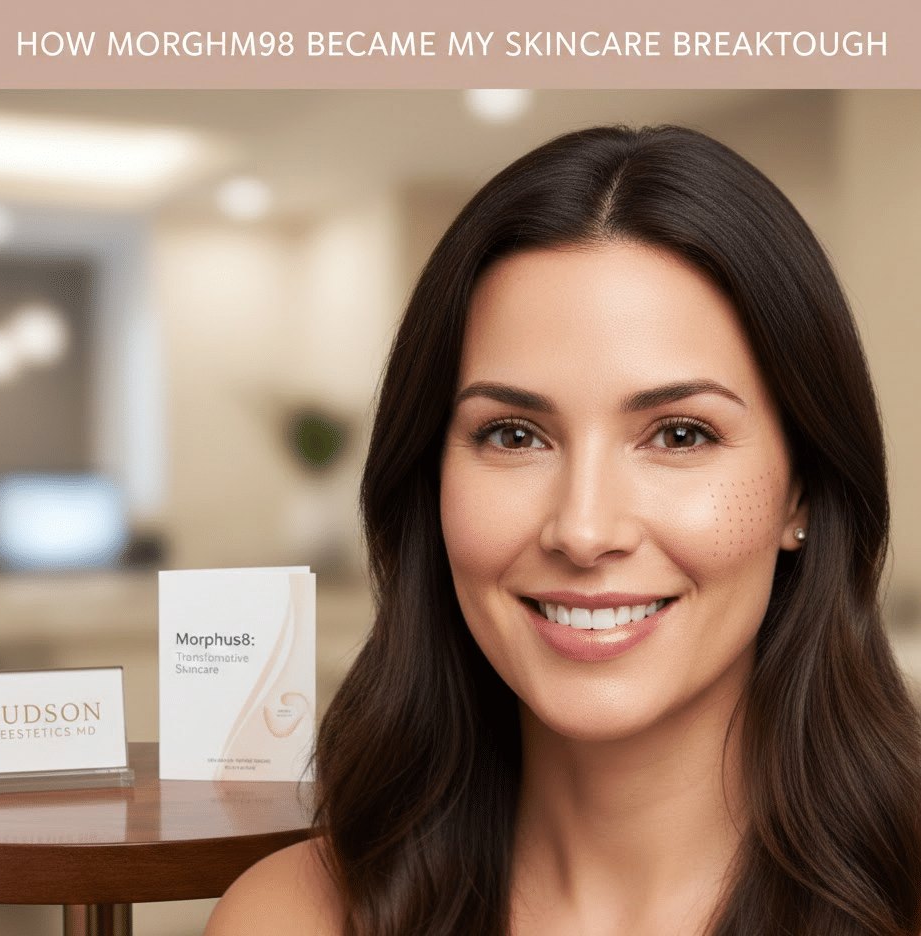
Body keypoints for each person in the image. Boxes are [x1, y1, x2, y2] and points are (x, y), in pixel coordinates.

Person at [205, 125, 921, 936]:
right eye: (514, 435)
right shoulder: (293, 919)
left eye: (680, 434)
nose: (583, 531)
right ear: (429, 482)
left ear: (802, 490)